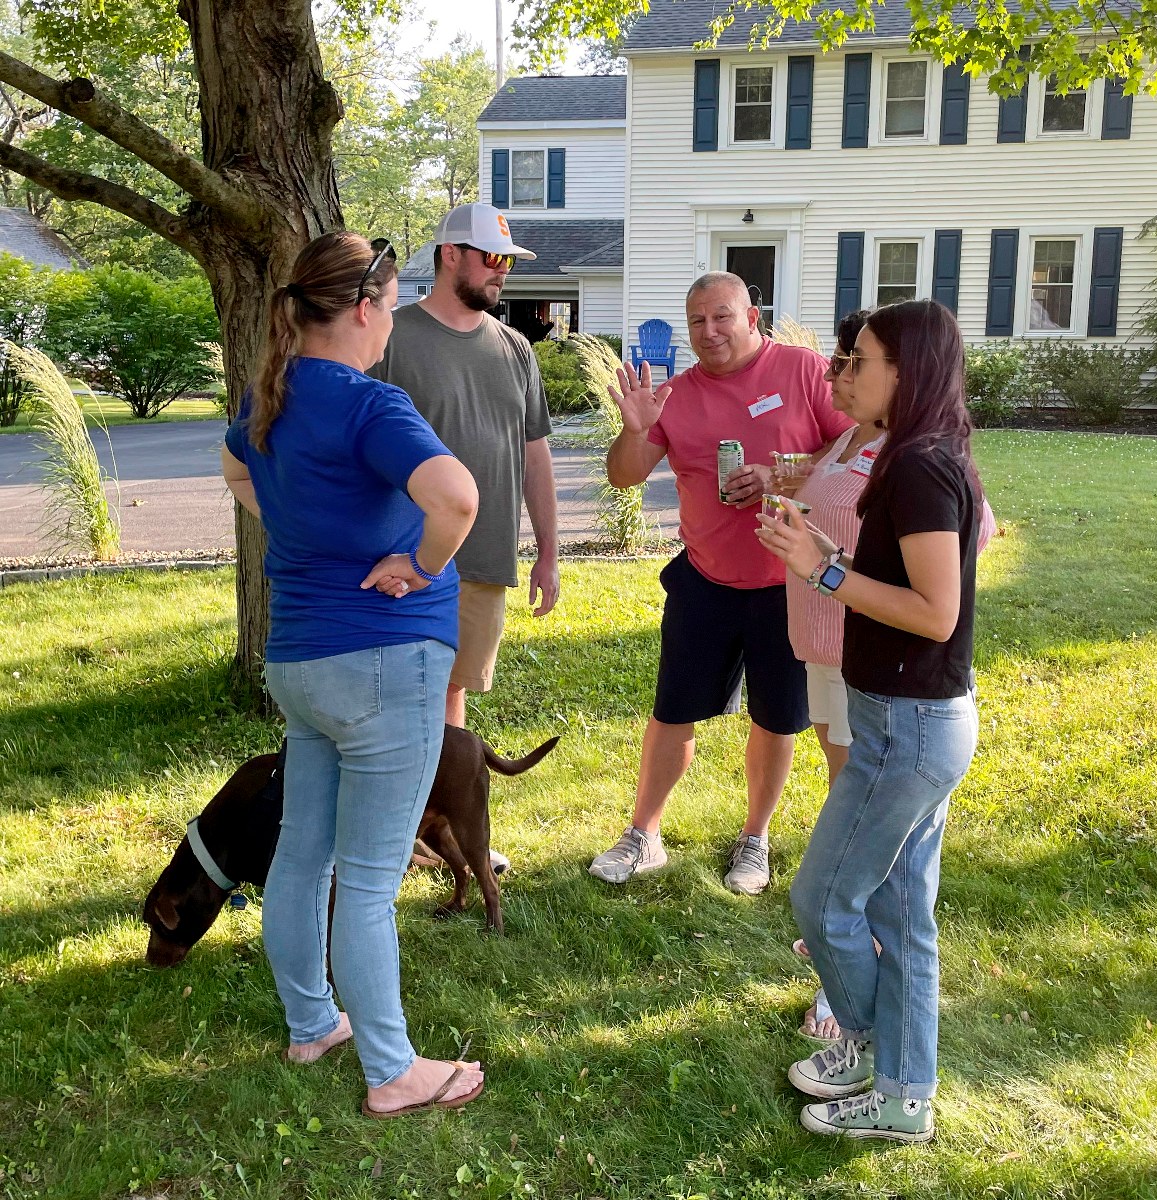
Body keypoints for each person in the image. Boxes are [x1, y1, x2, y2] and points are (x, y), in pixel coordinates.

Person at [221, 231, 485, 1117]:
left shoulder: (273, 398)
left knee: (304, 856)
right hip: (382, 665)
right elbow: (457, 499)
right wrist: (419, 562)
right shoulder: (371, 405)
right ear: (366, 308)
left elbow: (233, 466)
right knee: (368, 879)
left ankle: (311, 1025)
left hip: (301, 665)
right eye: (391, 302)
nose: (389, 327)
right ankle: (392, 1071)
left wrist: (305, 533)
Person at [757, 299, 984, 1143]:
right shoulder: (908, 456)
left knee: (823, 899)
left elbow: (934, 612)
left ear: (907, 372)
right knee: (900, 917)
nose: (842, 374)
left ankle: (866, 1045)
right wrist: (824, 553)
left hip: (912, 727)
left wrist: (823, 572)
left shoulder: (921, 464)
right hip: (902, 715)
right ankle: (902, 1095)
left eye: (860, 360)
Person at [588, 272, 853, 894]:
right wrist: (632, 429)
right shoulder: (676, 394)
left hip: (789, 578)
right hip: (706, 577)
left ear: (752, 316)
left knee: (776, 718)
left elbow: (852, 448)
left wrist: (780, 475)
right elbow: (624, 476)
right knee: (673, 710)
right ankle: (644, 834)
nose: (710, 332)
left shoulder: (803, 371)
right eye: (698, 322)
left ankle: (754, 839)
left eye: (723, 317)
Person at [372, 203, 560, 731]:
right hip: (404, 559)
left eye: (509, 261)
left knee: (453, 694)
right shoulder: (388, 336)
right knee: (401, 697)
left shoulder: (517, 349)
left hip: (484, 560)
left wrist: (548, 552)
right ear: (451, 255)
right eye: (493, 257)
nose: (503, 269)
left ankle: (441, 812)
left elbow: (534, 455)